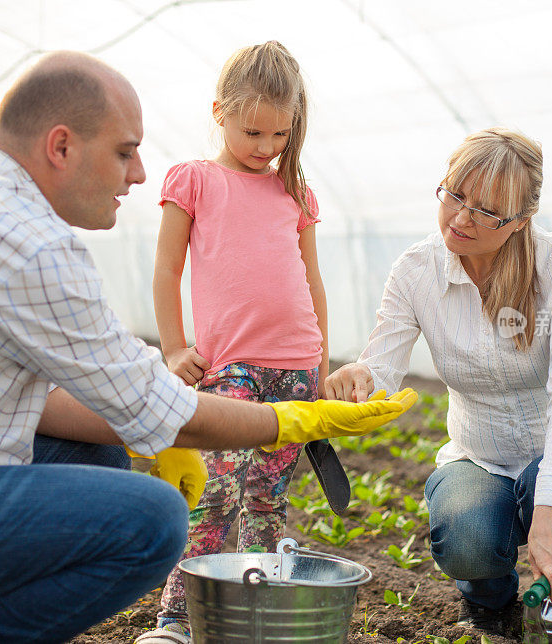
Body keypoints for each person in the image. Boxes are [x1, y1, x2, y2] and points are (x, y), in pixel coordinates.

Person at [0, 50, 417, 644]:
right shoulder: (32, 247)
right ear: (61, 147)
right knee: (156, 517)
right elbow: (153, 407)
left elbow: (50, 401)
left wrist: (297, 382)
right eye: (125, 152)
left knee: (103, 459)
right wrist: (284, 419)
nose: (137, 173)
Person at [325, 128, 552, 644]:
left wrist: (549, 513)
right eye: (454, 195)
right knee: (466, 535)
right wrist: (361, 377)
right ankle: (491, 611)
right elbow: (380, 368)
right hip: (482, 457)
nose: (459, 217)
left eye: (484, 210)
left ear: (520, 220)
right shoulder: (416, 271)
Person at [140, 41, 328, 643]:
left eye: (280, 134)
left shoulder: (295, 192)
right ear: (219, 111)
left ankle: (254, 618)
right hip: (232, 368)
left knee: (267, 503)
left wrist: (321, 366)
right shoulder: (193, 181)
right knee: (212, 499)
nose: (266, 147)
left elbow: (311, 280)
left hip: (295, 369)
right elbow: (167, 269)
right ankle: (175, 620)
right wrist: (174, 349)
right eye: (253, 131)